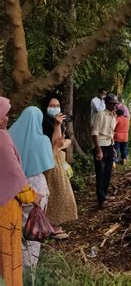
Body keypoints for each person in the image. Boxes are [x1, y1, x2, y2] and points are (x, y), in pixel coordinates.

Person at [0, 97, 42, 286]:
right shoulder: (2, 139)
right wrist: (32, 196)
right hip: (5, 209)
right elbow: (14, 175)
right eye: (3, 115)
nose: (6, 119)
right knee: (8, 256)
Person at [9, 106, 56, 268]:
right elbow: (49, 165)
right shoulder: (42, 140)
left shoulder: (9, 138)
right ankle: (30, 270)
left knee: (15, 230)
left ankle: (14, 268)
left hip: (14, 187)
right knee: (33, 230)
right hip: (37, 188)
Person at [42, 98, 78, 239]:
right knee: (56, 192)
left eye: (57, 105)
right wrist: (57, 127)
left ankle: (54, 224)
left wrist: (63, 144)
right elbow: (55, 143)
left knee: (61, 192)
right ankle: (52, 226)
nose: (55, 108)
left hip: (59, 159)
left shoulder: (61, 120)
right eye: (52, 105)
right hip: (50, 161)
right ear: (47, 107)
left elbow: (67, 139)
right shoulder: (44, 122)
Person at [92, 94, 118, 208]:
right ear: (107, 104)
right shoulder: (100, 114)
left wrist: (112, 147)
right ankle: (101, 199)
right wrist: (98, 150)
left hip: (109, 145)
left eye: (115, 104)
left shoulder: (113, 116)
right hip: (100, 145)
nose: (114, 105)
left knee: (108, 172)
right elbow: (94, 133)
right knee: (100, 173)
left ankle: (104, 195)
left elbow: (111, 133)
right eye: (112, 103)